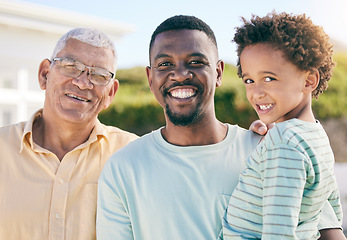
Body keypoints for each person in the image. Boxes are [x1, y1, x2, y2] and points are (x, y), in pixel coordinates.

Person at [96, 15, 343, 240]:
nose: (180, 74)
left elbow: (328, 229)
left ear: (218, 72)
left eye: (195, 61)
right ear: (150, 79)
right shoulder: (122, 169)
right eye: (165, 64)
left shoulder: (268, 148)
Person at [0, 28, 138, 240]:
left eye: (99, 75)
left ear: (110, 93)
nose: (83, 83)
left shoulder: (133, 156)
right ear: (44, 74)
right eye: (71, 66)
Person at [223, 12, 343, 239]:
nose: (256, 93)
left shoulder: (284, 141)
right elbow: (333, 212)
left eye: (269, 78)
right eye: (249, 80)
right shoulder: (316, 135)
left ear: (309, 80)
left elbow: (278, 233)